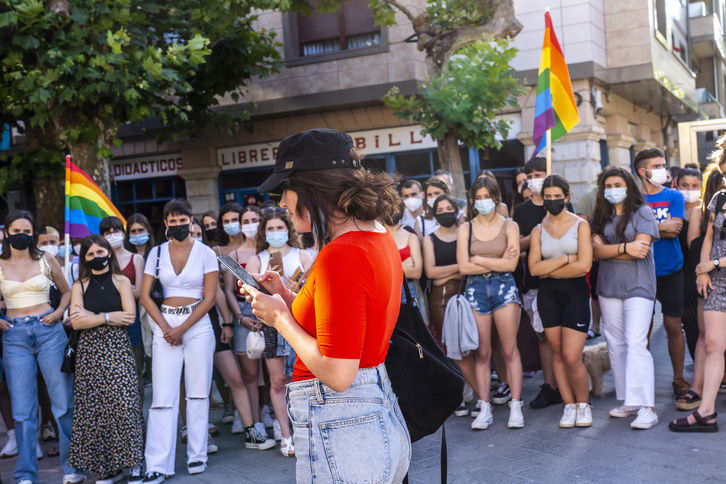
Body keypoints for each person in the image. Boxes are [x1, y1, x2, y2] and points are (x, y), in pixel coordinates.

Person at [242, 128, 410, 482]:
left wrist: (280, 319)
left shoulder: (342, 253)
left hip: (342, 418)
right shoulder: (374, 233)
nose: (283, 203)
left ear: (309, 188)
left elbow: (337, 373)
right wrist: (287, 299)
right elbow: (346, 321)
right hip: (365, 412)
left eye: (284, 189)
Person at [0, 210, 84, 484]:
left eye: (26, 231)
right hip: (14, 337)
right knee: (22, 410)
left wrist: (60, 312)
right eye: (16, 231)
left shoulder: (46, 259)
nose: (21, 235)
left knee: (63, 404)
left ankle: (72, 468)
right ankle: (26, 474)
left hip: (48, 331)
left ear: (32, 234)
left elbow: (67, 291)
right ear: (6, 234)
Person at [139, 199, 218, 482]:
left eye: (183, 220)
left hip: (196, 325)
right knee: (162, 398)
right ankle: (157, 464)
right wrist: (164, 327)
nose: (178, 225)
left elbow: (209, 299)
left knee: (197, 394)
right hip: (166, 324)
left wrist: (182, 328)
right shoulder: (156, 253)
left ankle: (197, 456)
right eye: (172, 221)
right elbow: (145, 295)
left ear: (191, 221)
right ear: (166, 225)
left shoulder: (206, 253)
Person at [68, 234, 144, 483]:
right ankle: (107, 468)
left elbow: (129, 316)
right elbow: (76, 322)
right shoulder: (79, 285)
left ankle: (134, 463)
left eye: (100, 252)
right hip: (88, 354)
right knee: (96, 410)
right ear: (84, 259)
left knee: (125, 405)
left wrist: (92, 314)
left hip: (117, 349)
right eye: (90, 254)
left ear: (109, 253)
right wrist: (108, 317)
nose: (96, 257)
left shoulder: (122, 280)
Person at [591, 166, 660, 430]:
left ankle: (648, 407)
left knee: (635, 343)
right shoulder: (600, 216)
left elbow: (640, 251)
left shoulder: (642, 213)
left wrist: (607, 249)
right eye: (607, 186)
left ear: (628, 186)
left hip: (639, 287)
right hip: (608, 288)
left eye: (617, 184)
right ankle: (630, 400)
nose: (611, 190)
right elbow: (595, 253)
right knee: (616, 344)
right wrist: (623, 248)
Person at [457, 176, 523, 430]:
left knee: (509, 350)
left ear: (496, 198)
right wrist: (495, 260)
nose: (483, 202)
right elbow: (463, 266)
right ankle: (484, 406)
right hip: (475, 290)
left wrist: (478, 257)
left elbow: (511, 265)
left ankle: (515, 405)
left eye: (488, 196)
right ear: (473, 200)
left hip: (505, 286)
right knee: (482, 353)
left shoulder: (510, 225)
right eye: (479, 197)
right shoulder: (466, 228)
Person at [247, 208, 313, 457]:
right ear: (264, 232)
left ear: (289, 229)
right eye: (270, 228)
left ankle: (304, 431)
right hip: (272, 326)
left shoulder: (304, 255)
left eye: (280, 227)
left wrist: (291, 285)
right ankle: (286, 436)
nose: (276, 233)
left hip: (300, 321)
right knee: (277, 382)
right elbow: (249, 294)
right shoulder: (257, 259)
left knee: (303, 379)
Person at [528, 175, 593, 428]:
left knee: (572, 356)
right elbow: (533, 269)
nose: (553, 201)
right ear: (542, 198)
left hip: (576, 294)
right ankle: (568, 405)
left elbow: (584, 266)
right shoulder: (538, 230)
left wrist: (548, 268)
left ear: (567, 197)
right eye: (548, 197)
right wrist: (566, 260)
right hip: (548, 296)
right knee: (556, 353)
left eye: (558, 196)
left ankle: (583, 405)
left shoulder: (581, 225)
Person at [670, 169, 726, 432]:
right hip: (718, 281)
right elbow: (709, 237)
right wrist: (703, 269)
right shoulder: (719, 198)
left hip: (718, 269)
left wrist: (712, 264)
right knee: (713, 344)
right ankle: (706, 412)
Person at [635, 148, 689, 398]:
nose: (662, 170)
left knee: (672, 325)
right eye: (656, 166)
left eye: (663, 165)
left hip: (671, 270)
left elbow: (674, 230)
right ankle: (642, 382)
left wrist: (647, 229)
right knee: (642, 329)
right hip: (641, 271)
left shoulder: (674, 196)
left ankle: (678, 378)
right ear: (642, 171)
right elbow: (630, 233)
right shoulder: (633, 199)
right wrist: (660, 226)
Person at [512, 157, 564, 409]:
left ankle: (569, 383)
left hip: (563, 277)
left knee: (564, 336)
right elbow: (517, 246)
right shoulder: (521, 211)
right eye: (530, 175)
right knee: (544, 336)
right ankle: (551, 385)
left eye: (539, 173)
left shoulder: (560, 203)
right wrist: (537, 234)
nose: (535, 179)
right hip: (534, 281)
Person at [222, 206, 273, 437]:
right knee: (251, 373)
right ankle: (254, 421)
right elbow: (230, 291)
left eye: (255, 219)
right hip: (245, 315)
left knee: (273, 370)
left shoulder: (270, 252)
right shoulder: (234, 256)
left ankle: (267, 410)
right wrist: (240, 318)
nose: (251, 224)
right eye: (247, 220)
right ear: (240, 226)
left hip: (272, 314)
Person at [100, 217, 146, 404]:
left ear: (123, 232)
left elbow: (140, 292)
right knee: (110, 375)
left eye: (116, 230)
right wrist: (128, 288)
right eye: (107, 232)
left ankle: (138, 422)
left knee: (136, 371)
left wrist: (111, 291)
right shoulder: (99, 259)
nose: (112, 235)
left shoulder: (137, 259)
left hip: (131, 320)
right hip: (105, 320)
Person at [675, 165, 703, 362]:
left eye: (695, 185)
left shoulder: (708, 209)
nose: (689, 190)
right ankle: (699, 371)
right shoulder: (672, 209)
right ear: (676, 184)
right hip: (680, 278)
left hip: (704, 273)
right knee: (692, 328)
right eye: (685, 185)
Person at [383, 205, 423, 304]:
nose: (391, 212)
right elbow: (379, 272)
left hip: (409, 289)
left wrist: (389, 268)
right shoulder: (377, 238)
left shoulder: (411, 236)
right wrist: (404, 265)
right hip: (386, 291)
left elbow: (417, 272)